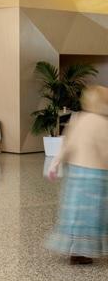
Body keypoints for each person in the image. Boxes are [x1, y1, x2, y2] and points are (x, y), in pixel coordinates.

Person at [46, 85, 108, 265]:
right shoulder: (104, 123)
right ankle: (86, 251)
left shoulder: (78, 118)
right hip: (97, 176)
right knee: (93, 213)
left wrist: (56, 163)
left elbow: (67, 144)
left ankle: (75, 249)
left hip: (76, 173)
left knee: (75, 212)